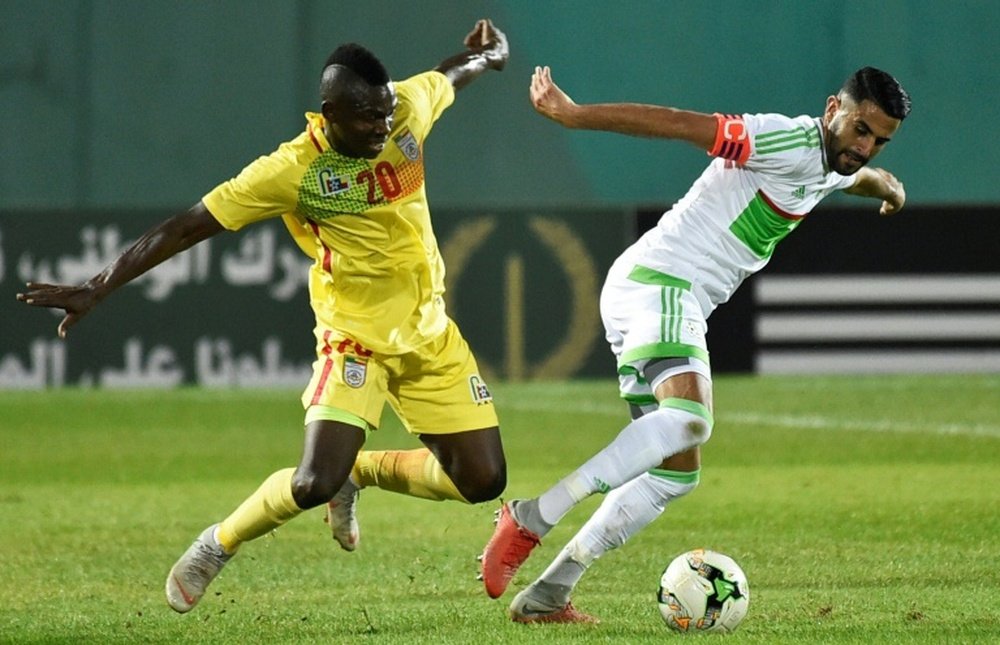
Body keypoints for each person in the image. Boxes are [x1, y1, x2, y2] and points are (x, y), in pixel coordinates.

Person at [17, 19, 510, 613]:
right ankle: (216, 545)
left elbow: (451, 74)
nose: (382, 128)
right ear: (328, 113)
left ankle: (364, 471)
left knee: (483, 481)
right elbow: (186, 226)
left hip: (430, 332)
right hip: (355, 338)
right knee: (310, 484)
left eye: (384, 114)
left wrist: (488, 55)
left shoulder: (405, 110)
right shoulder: (290, 171)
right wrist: (98, 285)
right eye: (366, 118)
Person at [480, 65, 911, 623]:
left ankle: (549, 594)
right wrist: (574, 114)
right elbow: (683, 125)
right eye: (861, 130)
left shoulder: (835, 161)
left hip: (659, 295)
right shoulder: (782, 138)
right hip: (663, 282)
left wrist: (889, 186)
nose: (866, 147)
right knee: (690, 419)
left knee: (675, 472)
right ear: (833, 109)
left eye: (880, 140)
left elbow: (851, 178)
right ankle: (532, 515)